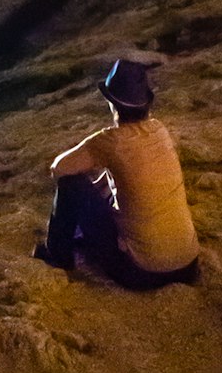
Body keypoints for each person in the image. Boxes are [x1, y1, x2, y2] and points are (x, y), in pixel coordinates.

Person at [33, 56, 200, 289]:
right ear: (146, 104)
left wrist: (95, 170)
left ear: (112, 104)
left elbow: (58, 169)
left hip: (143, 273)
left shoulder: (110, 141)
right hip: (189, 266)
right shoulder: (160, 130)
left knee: (72, 185)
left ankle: (58, 255)